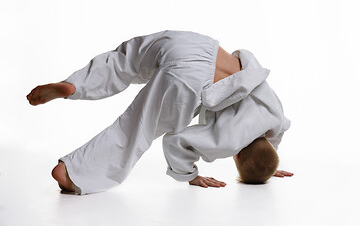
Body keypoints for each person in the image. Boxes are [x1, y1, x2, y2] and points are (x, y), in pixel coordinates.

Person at [27, 30, 293, 195]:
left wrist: (270, 163)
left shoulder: (275, 116)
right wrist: (190, 175)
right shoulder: (231, 142)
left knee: (127, 58)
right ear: (236, 155)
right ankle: (71, 173)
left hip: (199, 46)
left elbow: (274, 137)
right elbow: (176, 142)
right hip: (191, 80)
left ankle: (77, 84)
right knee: (136, 128)